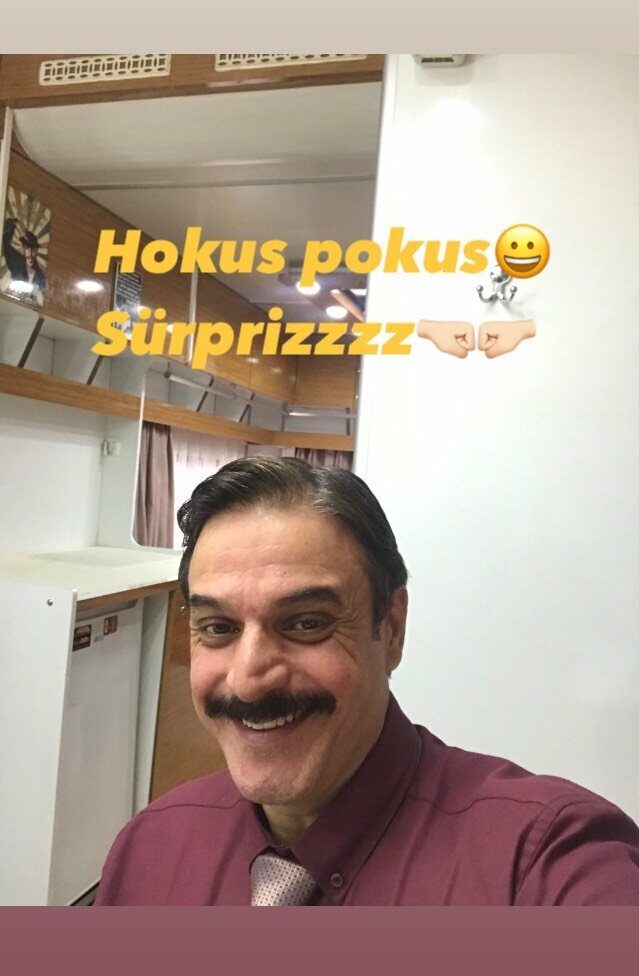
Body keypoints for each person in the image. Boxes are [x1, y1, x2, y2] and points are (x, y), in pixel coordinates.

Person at [95, 457, 639, 905]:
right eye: (218, 628)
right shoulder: (151, 848)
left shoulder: (541, 861)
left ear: (392, 629)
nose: (249, 681)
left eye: (306, 623)